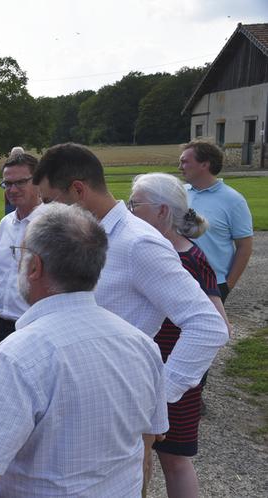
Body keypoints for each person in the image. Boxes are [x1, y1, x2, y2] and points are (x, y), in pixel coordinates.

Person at [32, 143, 229, 494]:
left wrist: (159, 397)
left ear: (78, 190)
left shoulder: (139, 243)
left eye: (49, 201)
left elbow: (208, 324)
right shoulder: (89, 238)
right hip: (76, 397)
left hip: (117, 406)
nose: (43, 211)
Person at [0, 203, 168, 497]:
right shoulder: (143, 345)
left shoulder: (19, 356)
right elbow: (145, 448)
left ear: (34, 267)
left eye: (20, 254)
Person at [129, 173, 231, 498]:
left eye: (135, 204)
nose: (130, 211)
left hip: (173, 375)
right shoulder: (158, 250)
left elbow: (219, 324)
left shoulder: (187, 258)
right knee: (146, 458)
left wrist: (172, 381)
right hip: (154, 373)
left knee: (174, 460)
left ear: (162, 211)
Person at [180, 140, 253, 303]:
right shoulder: (179, 193)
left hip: (212, 284)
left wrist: (227, 285)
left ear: (204, 164)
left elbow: (245, 246)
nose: (180, 167)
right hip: (178, 279)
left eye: (185, 162)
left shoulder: (233, 200)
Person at [0, 153, 44, 360]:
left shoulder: (52, 224)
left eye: (20, 182)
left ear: (38, 182)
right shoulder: (5, 224)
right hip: (1, 326)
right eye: (7, 184)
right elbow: (0, 276)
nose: (12, 189)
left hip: (34, 326)